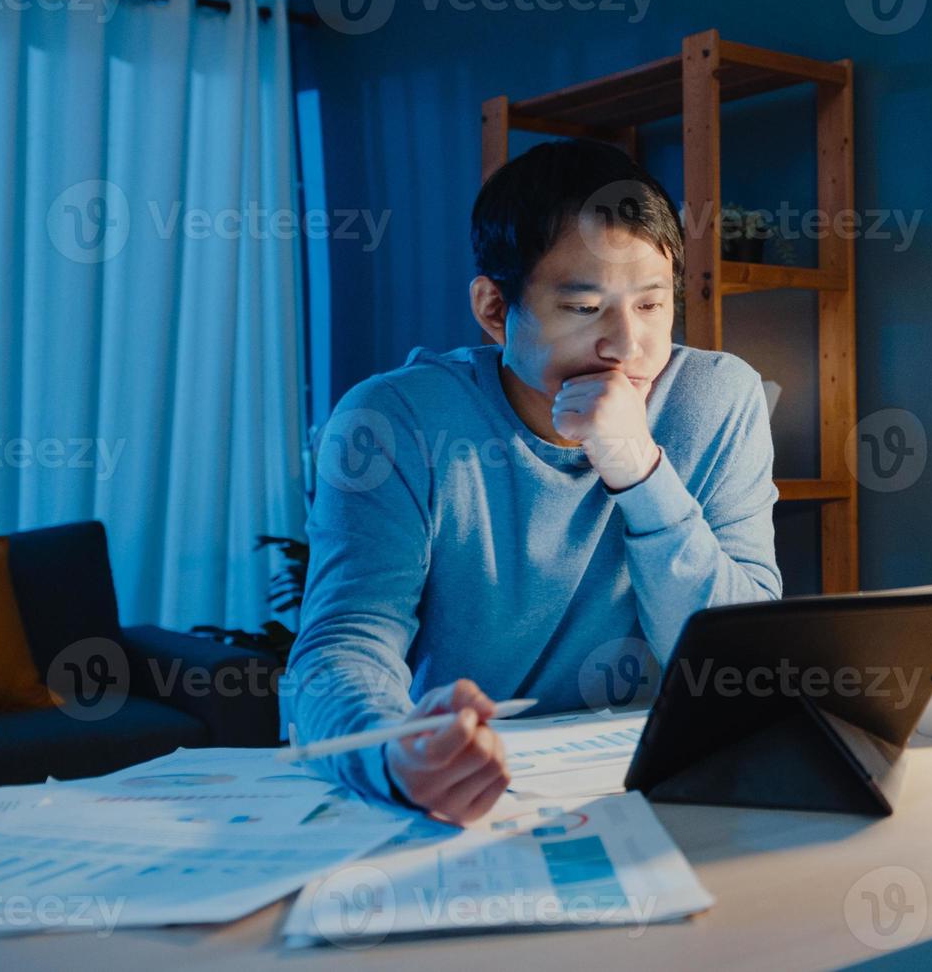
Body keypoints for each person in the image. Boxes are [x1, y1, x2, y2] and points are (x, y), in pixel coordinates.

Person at [281, 140, 782, 823]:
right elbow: (341, 645)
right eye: (583, 310)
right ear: (494, 309)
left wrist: (639, 470)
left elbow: (744, 666)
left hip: (652, 784)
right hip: (468, 789)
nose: (627, 348)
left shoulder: (717, 398)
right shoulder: (395, 420)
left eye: (651, 306)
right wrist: (396, 755)